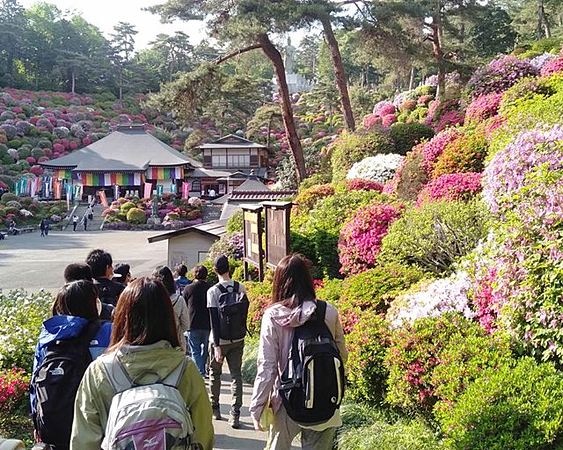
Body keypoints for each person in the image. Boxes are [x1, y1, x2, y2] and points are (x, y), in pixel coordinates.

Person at [69, 277, 214, 450]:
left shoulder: (99, 371)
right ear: (167, 317)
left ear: (123, 318)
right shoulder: (185, 369)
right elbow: (203, 435)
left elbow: (83, 441)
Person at [249, 254, 347, 450]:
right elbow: (342, 355)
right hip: (323, 399)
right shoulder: (328, 311)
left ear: (279, 281)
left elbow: (267, 367)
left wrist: (257, 407)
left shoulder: (273, 316)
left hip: (286, 399)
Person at [30, 280, 112, 450]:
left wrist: (36, 420)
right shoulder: (108, 331)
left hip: (55, 430)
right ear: (92, 303)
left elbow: (34, 382)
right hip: (97, 427)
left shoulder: (48, 336)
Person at [207, 255, 249, 428]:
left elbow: (213, 321)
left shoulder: (213, 291)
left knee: (214, 374)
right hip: (238, 338)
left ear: (215, 270)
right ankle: (235, 413)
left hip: (220, 340)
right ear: (229, 269)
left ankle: (215, 408)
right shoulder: (241, 288)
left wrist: (216, 346)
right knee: (236, 375)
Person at [183, 265, 211, 376]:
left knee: (195, 350)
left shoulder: (188, 288)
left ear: (194, 275)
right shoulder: (210, 288)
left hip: (192, 323)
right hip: (207, 323)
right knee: (205, 349)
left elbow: (184, 304)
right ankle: (202, 369)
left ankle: (200, 371)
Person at [153, 266, 190, 348]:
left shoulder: (150, 299)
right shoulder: (179, 300)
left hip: (155, 343)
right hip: (176, 342)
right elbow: (186, 324)